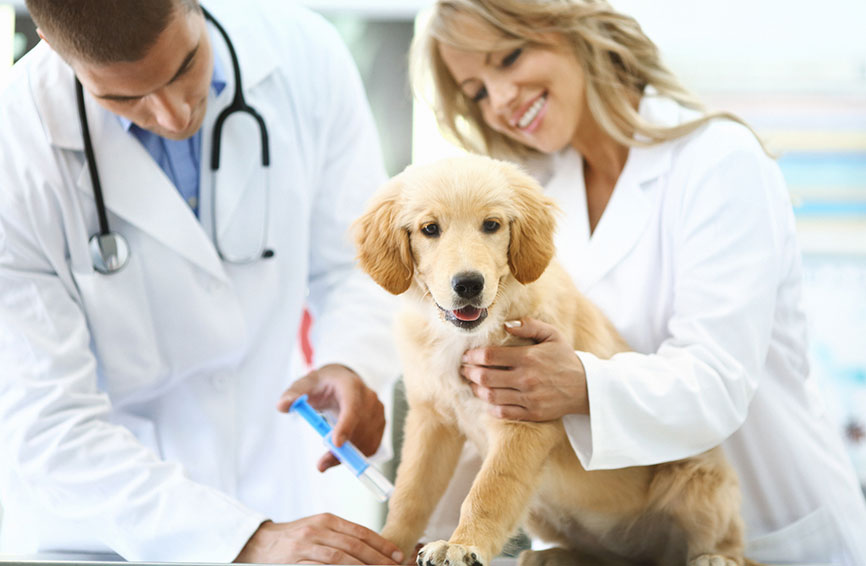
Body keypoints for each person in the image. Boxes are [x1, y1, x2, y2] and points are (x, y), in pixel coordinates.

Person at [409, 1, 866, 564]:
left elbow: (718, 379)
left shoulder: (718, 161)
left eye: (509, 57)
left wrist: (580, 383)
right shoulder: (527, 197)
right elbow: (482, 411)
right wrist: (410, 539)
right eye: (477, 91)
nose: (500, 100)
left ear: (575, 27)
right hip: (602, 540)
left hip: (764, 528)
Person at [0, 0, 405, 563]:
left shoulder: (304, 55)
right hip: (104, 533)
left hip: (282, 486)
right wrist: (240, 537)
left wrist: (354, 361)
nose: (171, 116)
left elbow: (359, 263)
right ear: (47, 41)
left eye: (184, 67)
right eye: (123, 97)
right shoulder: (14, 153)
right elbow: (48, 423)